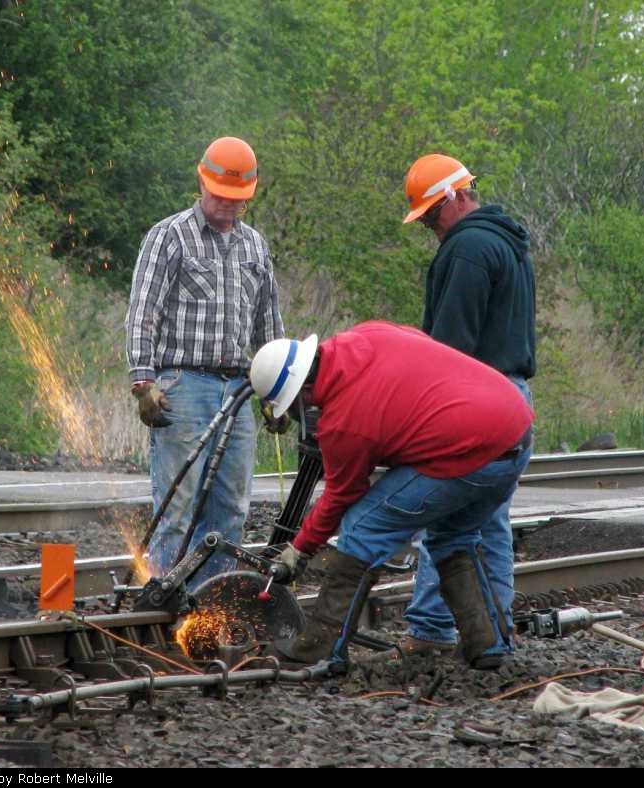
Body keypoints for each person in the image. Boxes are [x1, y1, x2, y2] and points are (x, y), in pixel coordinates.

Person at [250, 321, 534, 669]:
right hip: (515, 430)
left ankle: (320, 651)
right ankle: (487, 644)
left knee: (361, 528)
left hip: (471, 449)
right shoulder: (367, 334)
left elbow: (342, 495)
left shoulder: (343, 422)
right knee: (453, 535)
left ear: (303, 392)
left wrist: (300, 548)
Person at [125, 136, 287, 589]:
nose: (228, 206)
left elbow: (269, 327)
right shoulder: (169, 236)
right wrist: (143, 381)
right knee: (176, 505)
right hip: (183, 385)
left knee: (230, 511)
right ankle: (163, 600)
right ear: (202, 181)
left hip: (238, 389)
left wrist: (279, 391)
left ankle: (209, 608)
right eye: (221, 196)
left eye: (238, 201)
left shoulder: (255, 247)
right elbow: (144, 312)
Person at [399, 153, 537, 656]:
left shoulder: (468, 250)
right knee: (490, 521)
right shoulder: (507, 241)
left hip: (476, 402)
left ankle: (432, 631)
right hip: (513, 397)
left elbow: (449, 350)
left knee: (445, 513)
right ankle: (494, 632)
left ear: (457, 196)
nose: (432, 227)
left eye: (434, 214)